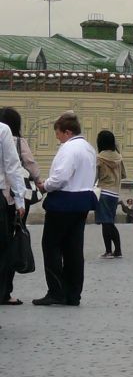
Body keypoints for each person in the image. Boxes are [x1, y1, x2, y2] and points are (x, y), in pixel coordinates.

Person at [36, 112, 97, 307]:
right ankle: (73, 293)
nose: (58, 138)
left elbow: (60, 177)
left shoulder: (69, 149)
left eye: (59, 134)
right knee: (74, 249)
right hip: (82, 201)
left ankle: (56, 290)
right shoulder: (88, 148)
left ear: (67, 132)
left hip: (63, 202)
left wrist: (45, 185)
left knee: (51, 246)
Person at [0, 107, 36, 308]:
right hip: (8, 200)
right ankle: (5, 292)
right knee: (6, 248)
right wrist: (21, 199)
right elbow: (22, 166)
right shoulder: (12, 137)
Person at [95, 130, 126, 259]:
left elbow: (94, 176)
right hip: (114, 193)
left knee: (106, 223)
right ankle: (116, 250)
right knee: (109, 222)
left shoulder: (99, 157)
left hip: (103, 191)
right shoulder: (119, 157)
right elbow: (123, 175)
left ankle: (110, 251)